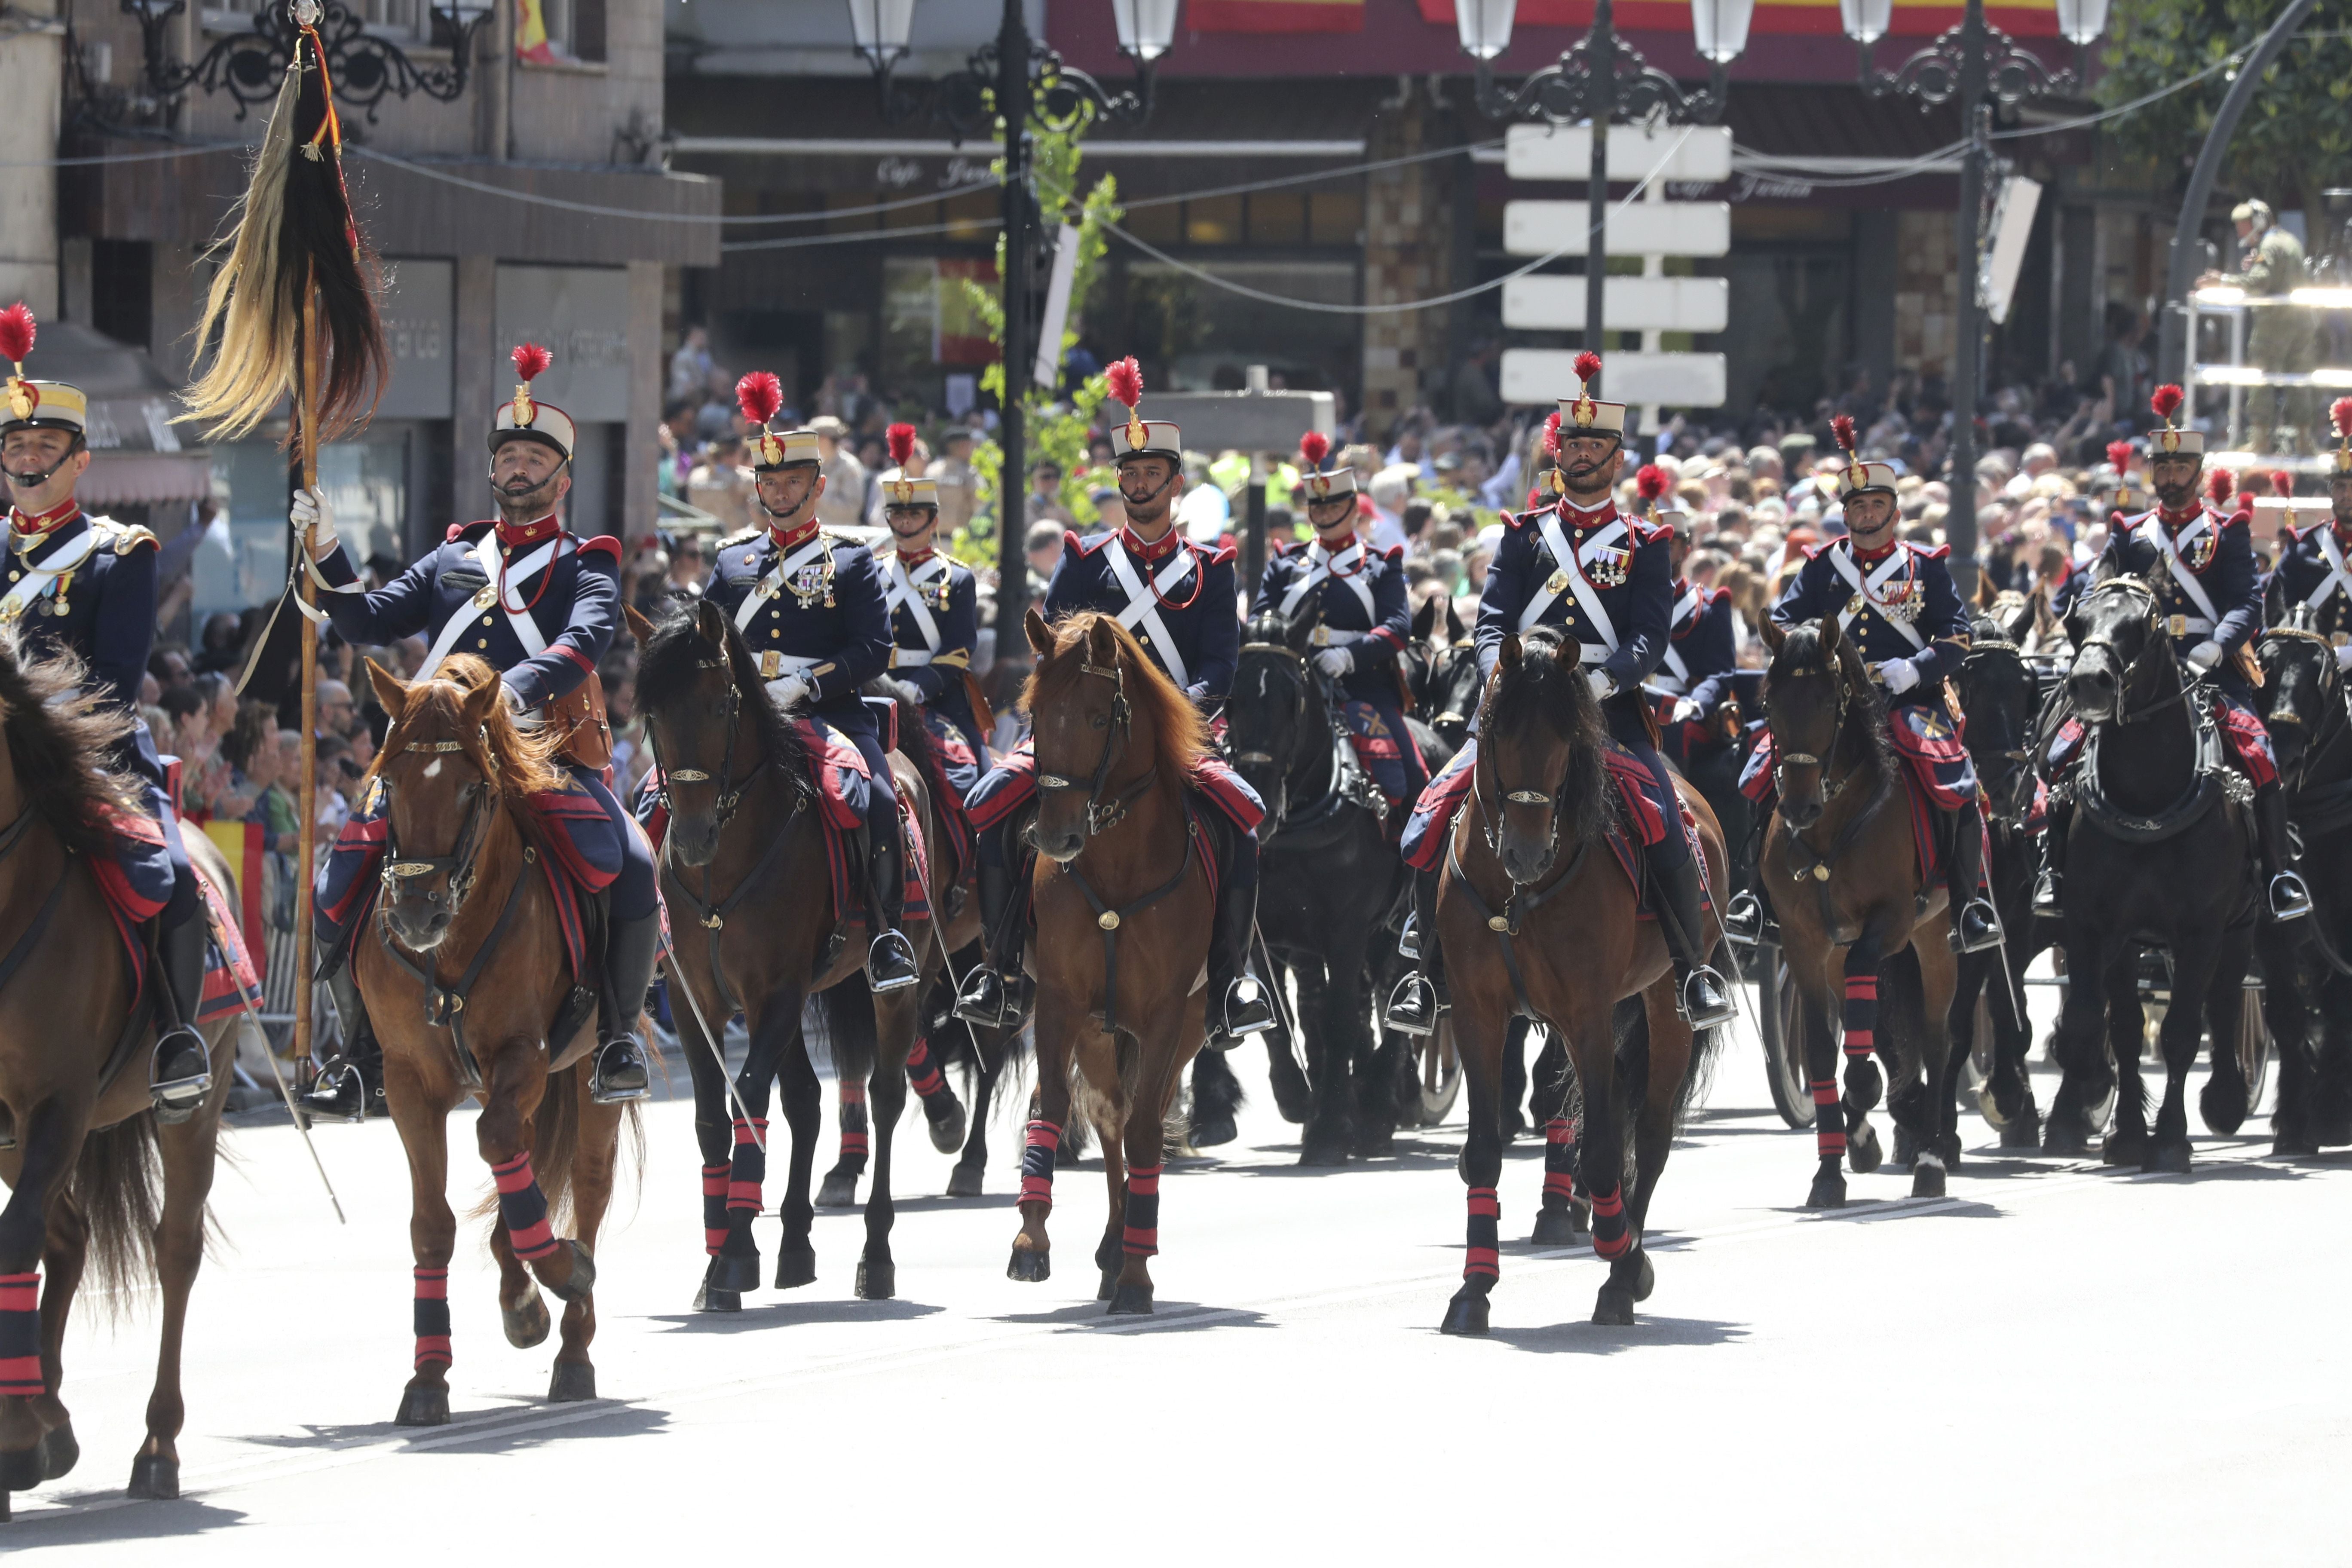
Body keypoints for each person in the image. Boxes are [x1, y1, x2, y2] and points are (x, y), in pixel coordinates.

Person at [294, 343, 660, 1118]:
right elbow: (367, 617)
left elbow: (585, 641)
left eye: (535, 458)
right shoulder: (454, 555)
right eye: (510, 456)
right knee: (340, 877)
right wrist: (326, 547)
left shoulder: (583, 561)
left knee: (632, 861)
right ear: (494, 472)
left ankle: (621, 1035)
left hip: (545, 754)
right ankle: (359, 1048)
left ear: (562, 479)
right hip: (443, 756)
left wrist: (501, 698)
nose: (519, 468)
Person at [1386, 353, 1736, 1035]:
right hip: (1520, 710)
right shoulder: (1523, 535)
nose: (1583, 456)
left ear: (1616, 458)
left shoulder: (1646, 542)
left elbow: (1648, 637)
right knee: (1432, 811)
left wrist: (1603, 681)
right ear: (1558, 452)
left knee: (1667, 817)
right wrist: (1499, 673)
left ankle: (1692, 968)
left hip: (1606, 711)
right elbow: (1491, 623)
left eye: (1596, 446)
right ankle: (1422, 970)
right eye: (1572, 444)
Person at [953, 356, 1273, 1044]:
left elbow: (1221, 662)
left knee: (1241, 820)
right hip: (1081, 731)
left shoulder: (1212, 571)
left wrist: (1176, 712)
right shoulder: (1086, 558)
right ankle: (1001, 969)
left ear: (1175, 482)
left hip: (1175, 734)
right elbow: (1055, 648)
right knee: (991, 807)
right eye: (1128, 475)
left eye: (1150, 474)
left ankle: (1229, 983)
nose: (1137, 485)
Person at [0, 302, 209, 1118]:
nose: (27, 459)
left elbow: (117, 684)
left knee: (175, 876)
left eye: (44, 448)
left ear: (78, 459)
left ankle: (178, 1038)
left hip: (90, 761)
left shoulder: (119, 555)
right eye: (15, 447)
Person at [2039, 385, 2309, 922]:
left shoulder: (2226, 533)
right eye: (2162, 467)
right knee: (2059, 755)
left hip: (2211, 671)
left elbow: (2247, 601)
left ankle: (2277, 874)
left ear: (2199, 471)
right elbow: (2096, 594)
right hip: (2135, 673)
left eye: (2180, 466)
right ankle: (2054, 868)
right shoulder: (2129, 534)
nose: (2169, 476)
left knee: (2261, 758)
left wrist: (2215, 646)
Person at [701, 373, 918, 991]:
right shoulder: (732, 560)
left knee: (879, 800)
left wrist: (808, 687)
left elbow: (874, 648)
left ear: (818, 487)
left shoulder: (850, 561)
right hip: (743, 716)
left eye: (792, 482)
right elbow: (706, 637)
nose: (779, 493)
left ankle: (886, 936)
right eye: (769, 482)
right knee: (658, 797)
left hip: (828, 712)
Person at [1758, 416, 2001, 952]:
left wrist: (1915, 667)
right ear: (1845, 515)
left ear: (1894, 512)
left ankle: (1968, 906)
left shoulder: (1926, 569)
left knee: (1957, 781)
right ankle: (1757, 899)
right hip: (1831, 703)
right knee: (1758, 768)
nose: (1866, 517)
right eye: (1857, 509)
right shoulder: (1822, 568)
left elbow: (1959, 637)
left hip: (1908, 700)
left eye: (1875, 508)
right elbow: (1785, 619)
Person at [1253, 430, 1426, 812]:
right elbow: (1260, 620)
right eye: (1319, 508)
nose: (1326, 515)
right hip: (1291, 685)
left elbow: (1397, 626)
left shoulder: (1381, 565)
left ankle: (1413, 866)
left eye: (1335, 507)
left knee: (1412, 775)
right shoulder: (1285, 564)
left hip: (1363, 684)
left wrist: (1349, 656)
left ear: (1353, 509)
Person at [873, 422, 989, 823]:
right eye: (898, 514)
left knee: (981, 774)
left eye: (914, 514)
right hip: (876, 691)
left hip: (937, 694)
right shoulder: (872, 573)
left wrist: (916, 688)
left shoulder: (956, 578)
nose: (905, 522)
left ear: (933, 520)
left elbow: (958, 649)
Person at [2201, 199, 2315, 453]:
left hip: (2275, 324)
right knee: (2298, 380)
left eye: (2243, 225)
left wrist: (2223, 281)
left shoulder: (2269, 245)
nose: (2240, 231)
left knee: (2261, 378)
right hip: (2301, 323)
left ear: (2260, 223)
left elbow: (2261, 280)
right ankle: (2305, 439)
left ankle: (2260, 439)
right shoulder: (2288, 240)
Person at [2268, 398, 2352, 650]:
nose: (2347, 495)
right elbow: (2276, 608)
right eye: (2339, 487)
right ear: (2330, 491)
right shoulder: (2303, 546)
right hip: (2310, 663)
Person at [811, 416, 869, 530]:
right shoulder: (817, 464)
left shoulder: (850, 466)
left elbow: (853, 509)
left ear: (825, 439)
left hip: (844, 536)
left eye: (815, 438)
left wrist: (817, 496)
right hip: (819, 534)